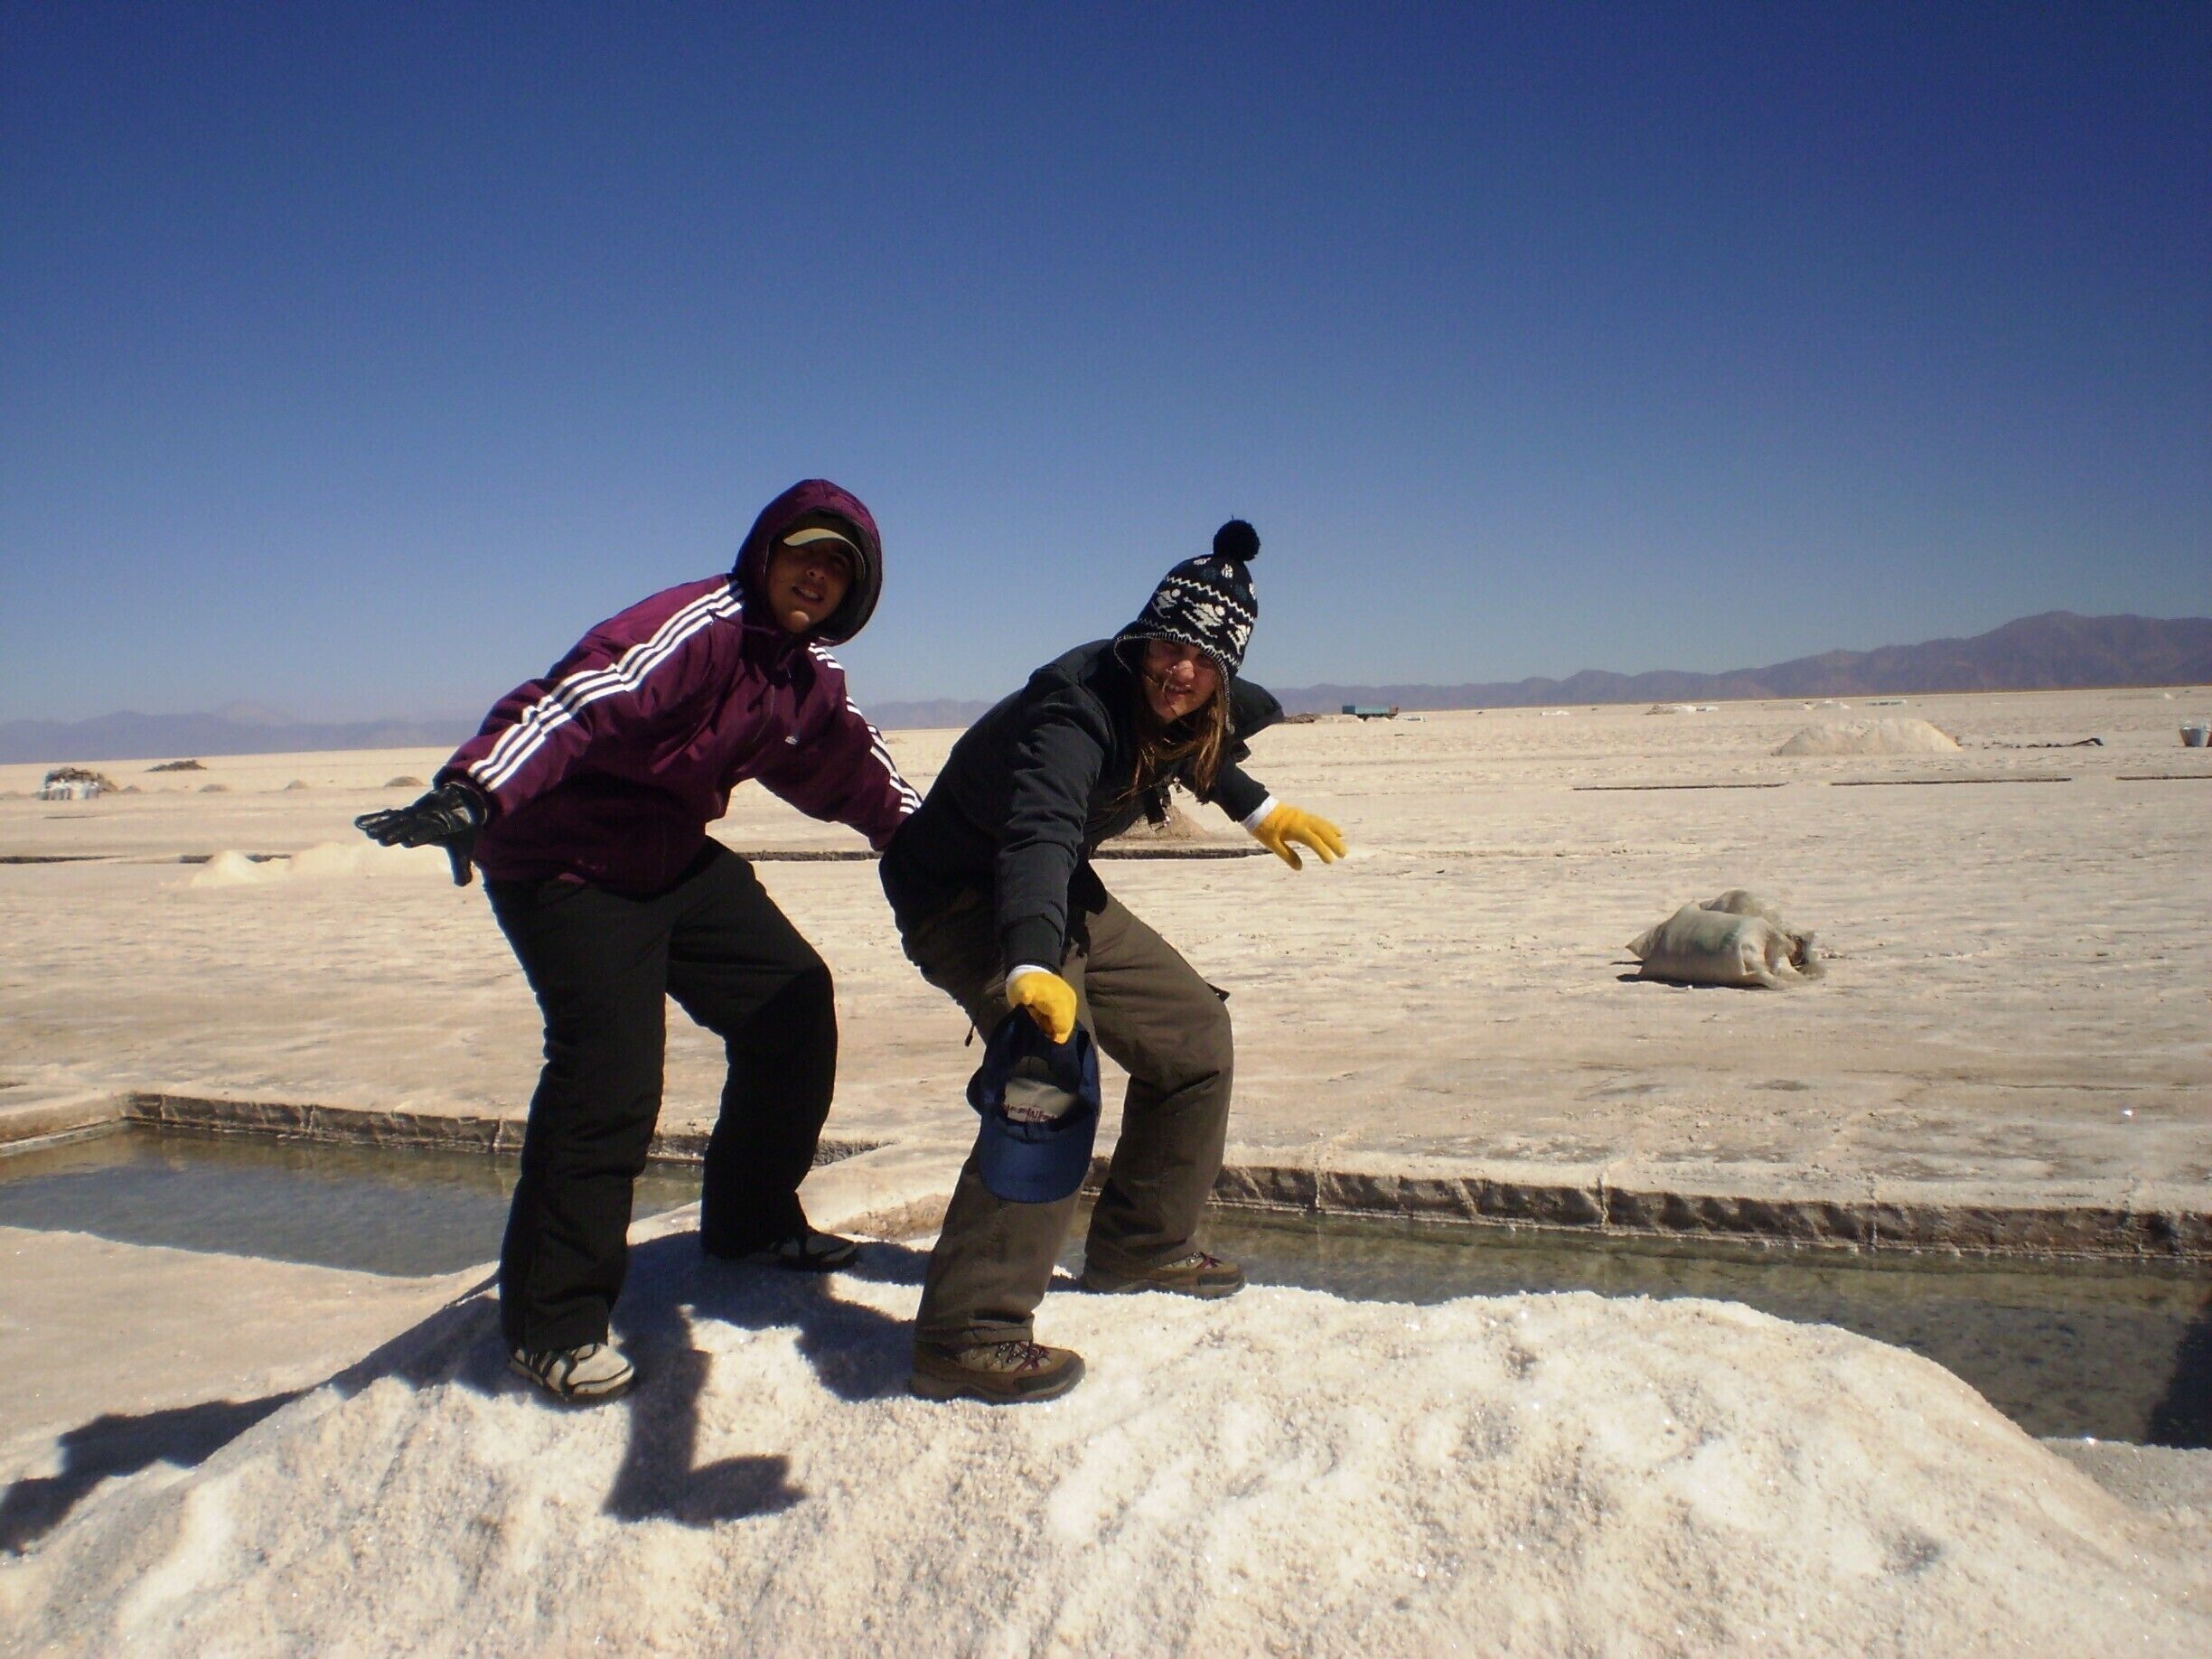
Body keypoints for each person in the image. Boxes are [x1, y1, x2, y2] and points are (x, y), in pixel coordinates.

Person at [357, 479, 918, 1404]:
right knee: (608, 1075)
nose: (815, 577)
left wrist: (939, 845)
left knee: (790, 999)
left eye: (837, 568)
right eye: (803, 554)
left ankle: (748, 1221)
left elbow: (855, 772)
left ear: (855, 593)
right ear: (766, 551)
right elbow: (577, 701)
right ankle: (553, 1324)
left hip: (667, 857)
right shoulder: (696, 627)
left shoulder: (802, 682)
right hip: (560, 863)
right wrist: (473, 791)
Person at [879, 519, 1346, 1403]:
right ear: (1144, 636)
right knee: (1049, 1072)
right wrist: (1027, 965)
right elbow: (1041, 833)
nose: (1183, 671)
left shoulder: (1193, 700)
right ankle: (967, 1330)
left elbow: (1197, 750)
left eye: (1207, 661)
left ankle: (1142, 1246)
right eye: (1171, 646)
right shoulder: (1074, 709)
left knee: (1194, 1036)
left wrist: (1261, 808)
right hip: (963, 895)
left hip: (1053, 889)